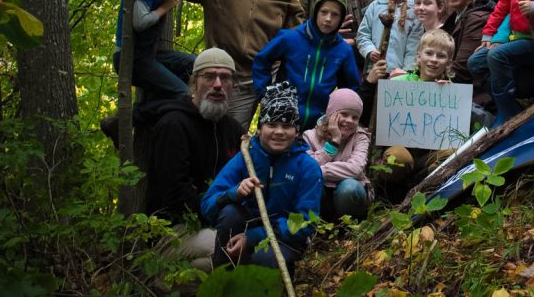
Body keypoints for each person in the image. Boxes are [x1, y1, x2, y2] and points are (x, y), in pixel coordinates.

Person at [178, 0, 304, 130]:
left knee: (230, 137)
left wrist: (329, 34)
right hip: (214, 72)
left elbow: (300, 40)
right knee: (197, 130)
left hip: (249, 83)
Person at [201, 81, 323, 274]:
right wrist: (235, 193)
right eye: (272, 124)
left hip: (284, 240)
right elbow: (207, 205)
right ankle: (223, 281)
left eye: (287, 125)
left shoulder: (307, 168)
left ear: (296, 131)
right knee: (230, 213)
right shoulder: (246, 157)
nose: (279, 132)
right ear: (259, 129)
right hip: (243, 228)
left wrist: (253, 237)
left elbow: (306, 221)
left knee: (264, 257)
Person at [142, 48, 242, 272]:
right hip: (173, 230)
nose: (217, 84)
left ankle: (170, 281)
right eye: (209, 76)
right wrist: (218, 212)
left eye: (225, 77)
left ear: (232, 85)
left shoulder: (232, 130)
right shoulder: (173, 124)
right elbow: (175, 193)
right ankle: (158, 279)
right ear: (194, 82)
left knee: (243, 253)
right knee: (226, 251)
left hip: (216, 223)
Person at [252, 0, 360, 132]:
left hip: (318, 125)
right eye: (324, 12)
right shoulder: (290, 37)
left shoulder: (343, 50)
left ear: (341, 19)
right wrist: (265, 94)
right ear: (315, 12)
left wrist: (339, 115)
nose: (328, 19)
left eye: (335, 15)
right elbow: (261, 60)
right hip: (282, 119)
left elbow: (350, 88)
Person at [369, 29, 460, 190]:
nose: (434, 60)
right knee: (398, 156)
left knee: (454, 151)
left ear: (449, 63)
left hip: (428, 157)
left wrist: (445, 93)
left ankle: (425, 185)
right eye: (429, 53)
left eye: (441, 56)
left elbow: (451, 133)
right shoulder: (399, 83)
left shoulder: (450, 91)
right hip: (401, 151)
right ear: (418, 56)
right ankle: (390, 190)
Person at [113, 0, 195, 101]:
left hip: (149, 55)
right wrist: (165, 7)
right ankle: (136, 116)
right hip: (128, 58)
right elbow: (140, 22)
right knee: (183, 94)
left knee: (196, 64)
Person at [357, 0, 424, 118]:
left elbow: (414, 44)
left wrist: (406, 72)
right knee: (372, 110)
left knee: (394, 114)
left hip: (400, 75)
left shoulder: (415, 9)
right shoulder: (375, 6)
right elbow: (363, 35)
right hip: (375, 71)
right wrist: (369, 51)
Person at [302, 89, 371, 221]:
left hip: (347, 194)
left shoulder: (360, 137)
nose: (350, 120)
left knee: (349, 188)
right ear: (331, 114)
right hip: (322, 192)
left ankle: (348, 228)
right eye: (344, 114)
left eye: (355, 117)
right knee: (312, 185)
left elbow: (355, 168)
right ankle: (316, 226)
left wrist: (320, 170)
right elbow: (306, 167)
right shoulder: (309, 136)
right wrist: (334, 142)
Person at [440, 0, 495, 89]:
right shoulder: (455, 18)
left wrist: (425, 80)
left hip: (477, 97)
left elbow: (462, 70)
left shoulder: (477, 18)